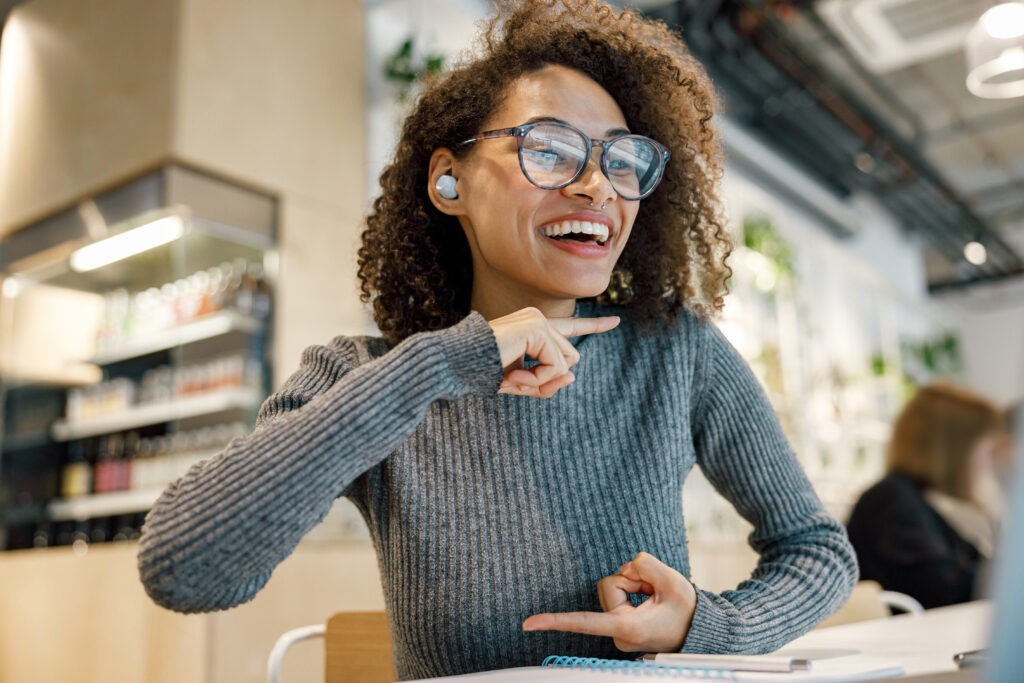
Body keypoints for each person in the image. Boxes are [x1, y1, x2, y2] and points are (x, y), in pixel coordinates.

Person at [137, 1, 857, 678]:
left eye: (621, 161)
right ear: (450, 181)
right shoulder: (370, 374)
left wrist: (706, 622)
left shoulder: (675, 353)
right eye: (549, 150)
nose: (596, 188)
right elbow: (182, 566)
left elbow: (818, 552)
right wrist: (448, 359)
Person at [846, 383, 1004, 609]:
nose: (988, 463)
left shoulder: (911, 497)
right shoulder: (892, 500)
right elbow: (944, 588)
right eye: (986, 451)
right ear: (956, 451)